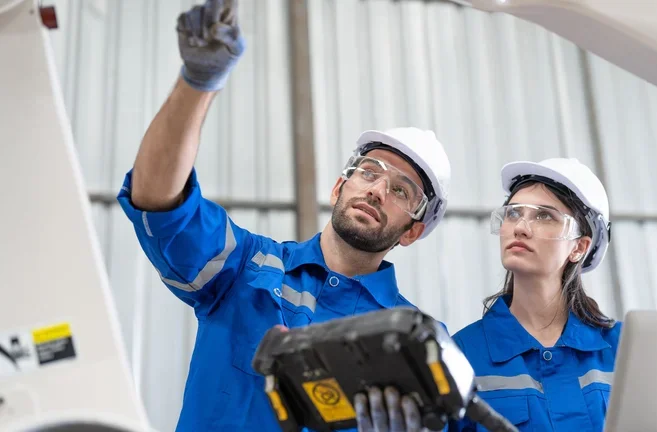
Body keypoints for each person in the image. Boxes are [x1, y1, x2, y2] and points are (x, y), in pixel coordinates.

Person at [115, 1, 451, 430]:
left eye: (401, 190)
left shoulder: (413, 339)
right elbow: (159, 203)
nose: (377, 190)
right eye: (369, 172)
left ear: (412, 231)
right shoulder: (243, 268)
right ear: (338, 187)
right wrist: (198, 82)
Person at [449, 158, 619, 432]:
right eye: (514, 213)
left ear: (579, 248)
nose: (520, 227)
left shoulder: (622, 349)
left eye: (544, 216)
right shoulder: (461, 354)